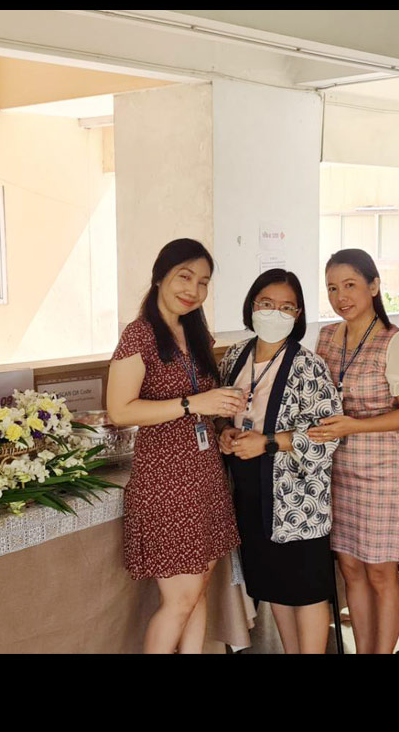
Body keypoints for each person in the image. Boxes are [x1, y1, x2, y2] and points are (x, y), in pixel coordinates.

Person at [106, 239, 245, 654]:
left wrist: (221, 427)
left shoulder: (195, 333)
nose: (193, 290)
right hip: (166, 484)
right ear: (160, 276)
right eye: (185, 277)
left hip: (205, 477)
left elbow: (206, 403)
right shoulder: (139, 335)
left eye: (203, 282)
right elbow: (119, 410)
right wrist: (192, 404)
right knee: (180, 600)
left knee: (198, 592)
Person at [217, 269, 342, 654]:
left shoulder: (309, 366)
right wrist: (225, 431)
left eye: (287, 307)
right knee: (276, 587)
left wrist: (268, 443)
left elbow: (328, 434)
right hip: (250, 491)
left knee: (306, 590)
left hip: (296, 498)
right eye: (267, 304)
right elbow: (223, 410)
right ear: (252, 306)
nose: (276, 313)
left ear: (298, 313)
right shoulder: (236, 356)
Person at [309, 249, 399, 654]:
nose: (341, 297)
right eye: (332, 288)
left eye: (350, 285)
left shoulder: (397, 342)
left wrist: (353, 425)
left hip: (381, 475)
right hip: (336, 472)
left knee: (380, 574)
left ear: (374, 286)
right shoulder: (327, 337)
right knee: (350, 569)